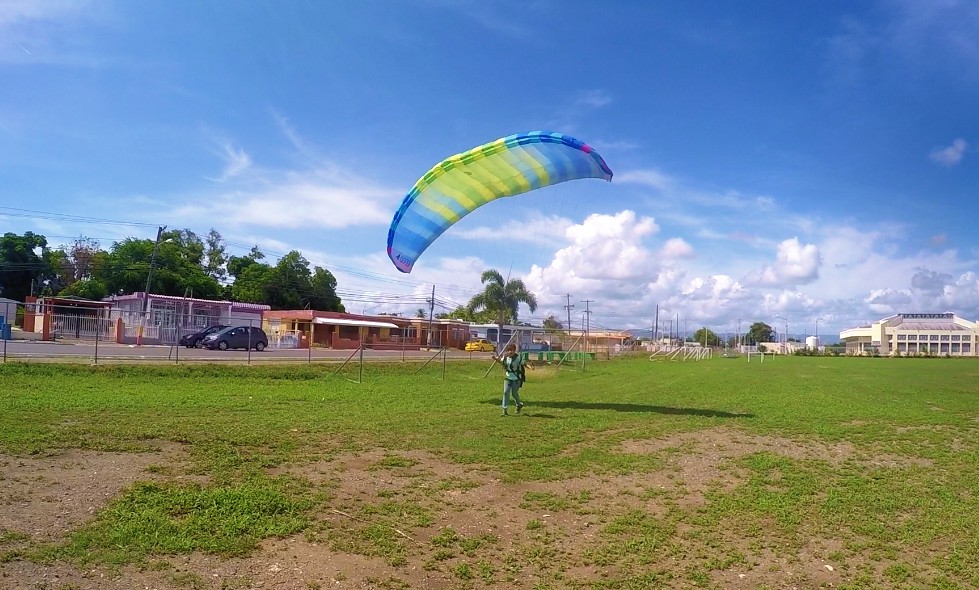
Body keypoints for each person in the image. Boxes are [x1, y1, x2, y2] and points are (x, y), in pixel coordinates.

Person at [497, 343, 525, 416]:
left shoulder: (518, 358)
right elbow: (502, 363)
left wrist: (531, 367)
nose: (510, 352)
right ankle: (504, 410)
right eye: (509, 350)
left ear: (514, 350)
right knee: (506, 392)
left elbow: (524, 364)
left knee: (514, 393)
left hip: (516, 378)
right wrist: (496, 359)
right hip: (508, 377)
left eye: (512, 350)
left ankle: (519, 405)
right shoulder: (505, 357)